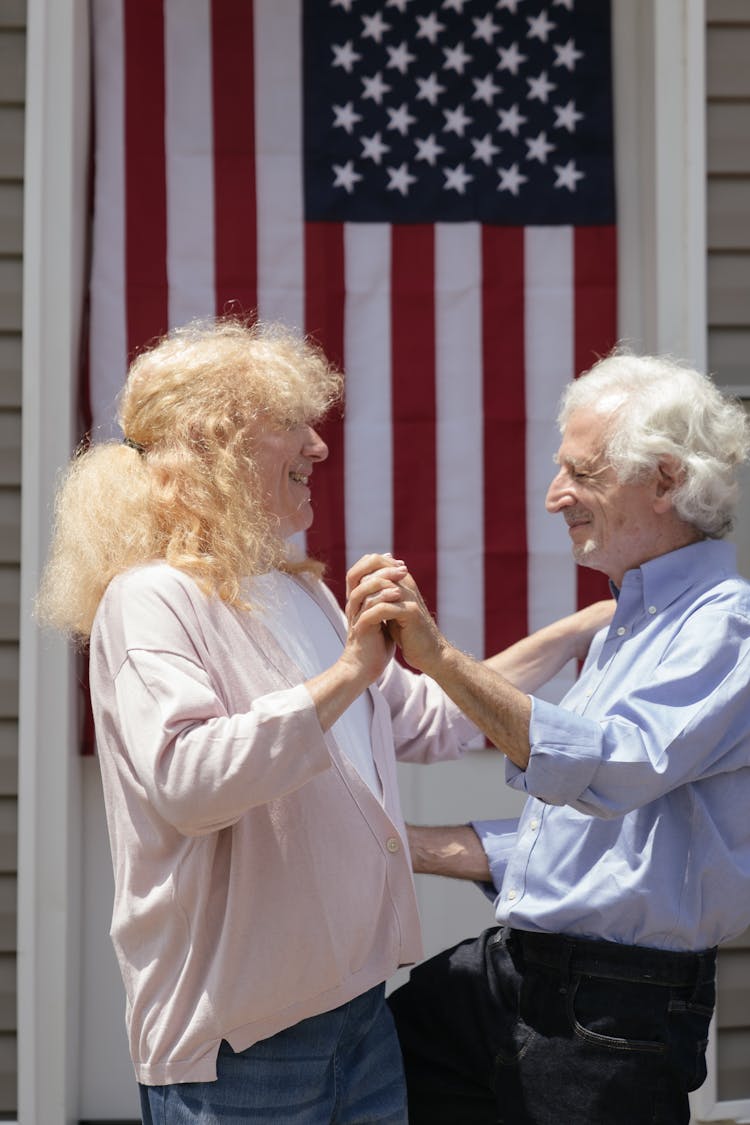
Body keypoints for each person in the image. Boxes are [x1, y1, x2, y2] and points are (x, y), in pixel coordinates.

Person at [36, 317, 611, 1125]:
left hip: (359, 1019)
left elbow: (428, 721)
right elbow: (191, 781)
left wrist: (575, 629)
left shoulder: (297, 589)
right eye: (291, 423)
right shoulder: (151, 597)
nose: (319, 446)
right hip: (242, 1053)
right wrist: (347, 673)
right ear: (215, 445)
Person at [351, 352, 750, 1125]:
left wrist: (440, 658)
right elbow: (580, 847)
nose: (553, 497)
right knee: (352, 1069)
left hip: (615, 1005)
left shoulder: (724, 627)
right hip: (518, 971)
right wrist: (389, 839)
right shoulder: (629, 624)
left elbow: (611, 770)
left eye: (582, 472)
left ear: (666, 481)